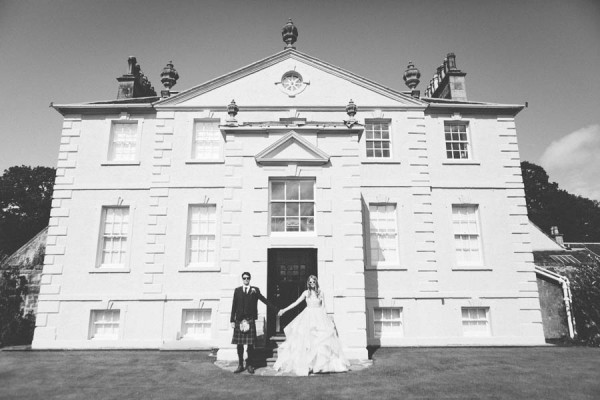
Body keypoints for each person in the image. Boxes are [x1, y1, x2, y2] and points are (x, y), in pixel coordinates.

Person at [274, 275, 350, 376]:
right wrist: (284, 310)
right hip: (308, 317)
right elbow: (295, 303)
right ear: (308, 283)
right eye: (310, 282)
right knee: (307, 342)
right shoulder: (306, 293)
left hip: (319, 317)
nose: (312, 283)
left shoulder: (321, 293)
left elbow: (324, 308)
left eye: (313, 281)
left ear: (316, 282)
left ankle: (319, 366)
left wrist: (327, 320)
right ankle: (308, 365)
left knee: (321, 342)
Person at [230, 271, 278, 374]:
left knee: (251, 345)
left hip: (250, 319)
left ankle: (250, 365)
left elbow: (264, 300)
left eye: (248, 278)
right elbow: (234, 305)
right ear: (242, 279)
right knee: (239, 345)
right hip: (239, 320)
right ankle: (240, 365)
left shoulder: (255, 290)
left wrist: (275, 310)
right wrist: (232, 320)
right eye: (244, 278)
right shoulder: (237, 290)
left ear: (250, 279)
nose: (246, 280)